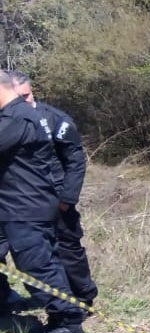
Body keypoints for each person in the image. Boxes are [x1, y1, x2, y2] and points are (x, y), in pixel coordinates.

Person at [0, 70, 85, 333]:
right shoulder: (13, 117)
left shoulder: (18, 118)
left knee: (37, 266)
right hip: (12, 205)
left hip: (26, 207)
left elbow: (74, 158)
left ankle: (68, 322)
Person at [9, 70, 98, 313]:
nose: (22, 102)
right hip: (17, 202)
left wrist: (66, 200)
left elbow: (75, 161)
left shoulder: (56, 120)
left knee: (67, 249)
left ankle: (82, 298)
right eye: (16, 97)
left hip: (55, 198)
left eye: (25, 96)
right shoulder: (6, 122)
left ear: (32, 91)